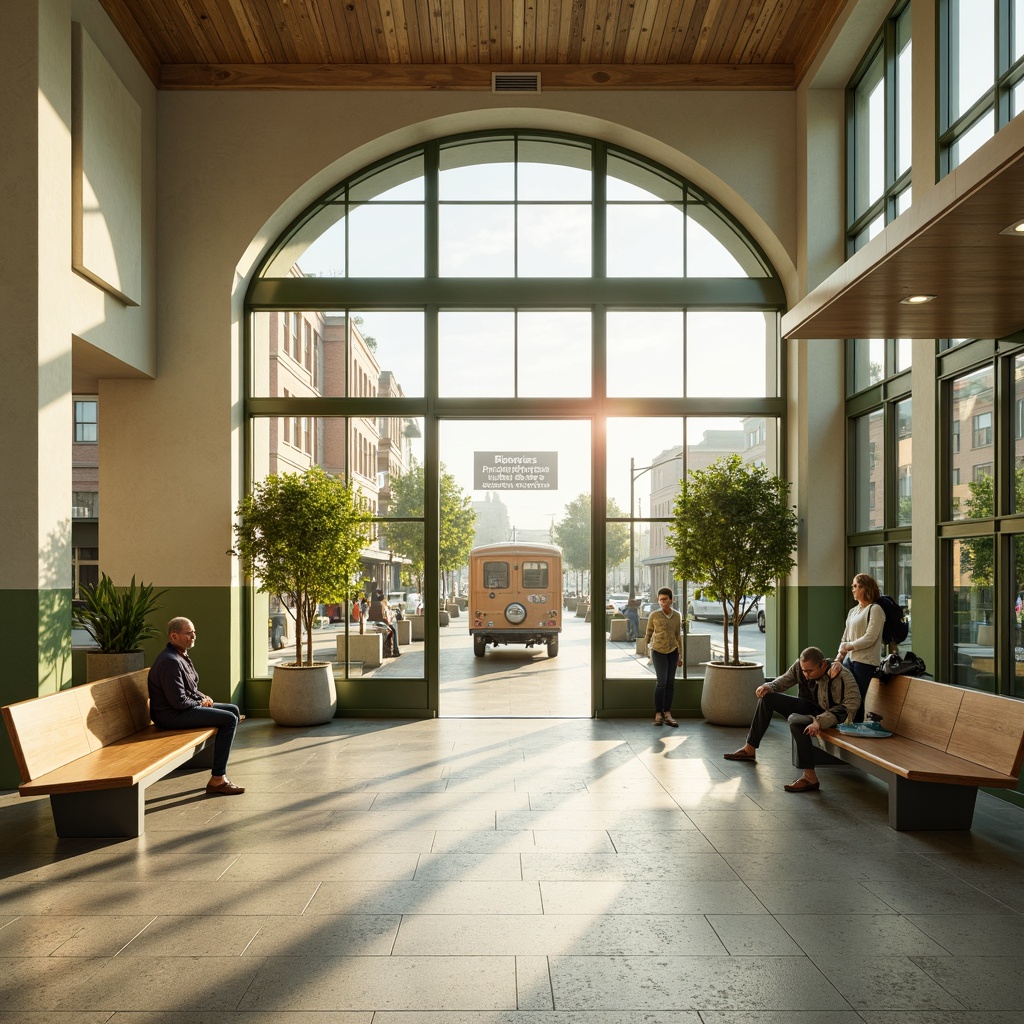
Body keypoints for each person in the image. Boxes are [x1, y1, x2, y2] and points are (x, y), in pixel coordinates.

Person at [723, 646, 859, 793]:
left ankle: (810, 778)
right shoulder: (801, 668)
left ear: (823, 665)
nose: (805, 674)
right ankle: (750, 749)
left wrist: (820, 721)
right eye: (803, 670)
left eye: (809, 671)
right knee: (767, 698)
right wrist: (768, 686)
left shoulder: (841, 675)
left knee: (796, 720)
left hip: (832, 717)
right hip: (808, 708)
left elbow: (851, 705)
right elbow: (785, 680)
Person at [148, 617, 245, 796]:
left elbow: (190, 688)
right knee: (229, 719)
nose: (193, 636)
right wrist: (201, 702)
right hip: (170, 716)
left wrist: (202, 696)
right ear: (174, 636)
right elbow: (178, 701)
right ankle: (218, 779)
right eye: (188, 633)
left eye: (194, 632)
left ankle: (218, 770)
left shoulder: (180, 655)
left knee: (233, 709)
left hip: (180, 709)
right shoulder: (170, 661)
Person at [830, 572, 884, 720]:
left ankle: (856, 730)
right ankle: (848, 727)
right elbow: (845, 637)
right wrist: (838, 658)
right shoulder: (853, 611)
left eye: (855, 586)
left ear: (865, 588)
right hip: (849, 660)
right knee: (847, 697)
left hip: (865, 662)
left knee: (857, 698)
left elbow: (870, 637)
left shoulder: (875, 609)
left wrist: (849, 646)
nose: (852, 589)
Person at [645, 587, 683, 727]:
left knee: (670, 684)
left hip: (672, 651)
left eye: (665, 599)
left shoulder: (677, 615)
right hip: (658, 651)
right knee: (661, 683)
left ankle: (667, 713)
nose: (662, 602)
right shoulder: (654, 615)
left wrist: (680, 654)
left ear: (671, 600)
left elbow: (678, 635)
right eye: (660, 599)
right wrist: (647, 650)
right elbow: (648, 633)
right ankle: (658, 713)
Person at [367, 590, 400, 657]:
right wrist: (389, 622)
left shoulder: (375, 604)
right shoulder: (381, 605)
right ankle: (395, 650)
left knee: (393, 630)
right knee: (393, 631)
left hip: (380, 622)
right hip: (381, 622)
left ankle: (394, 650)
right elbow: (383, 617)